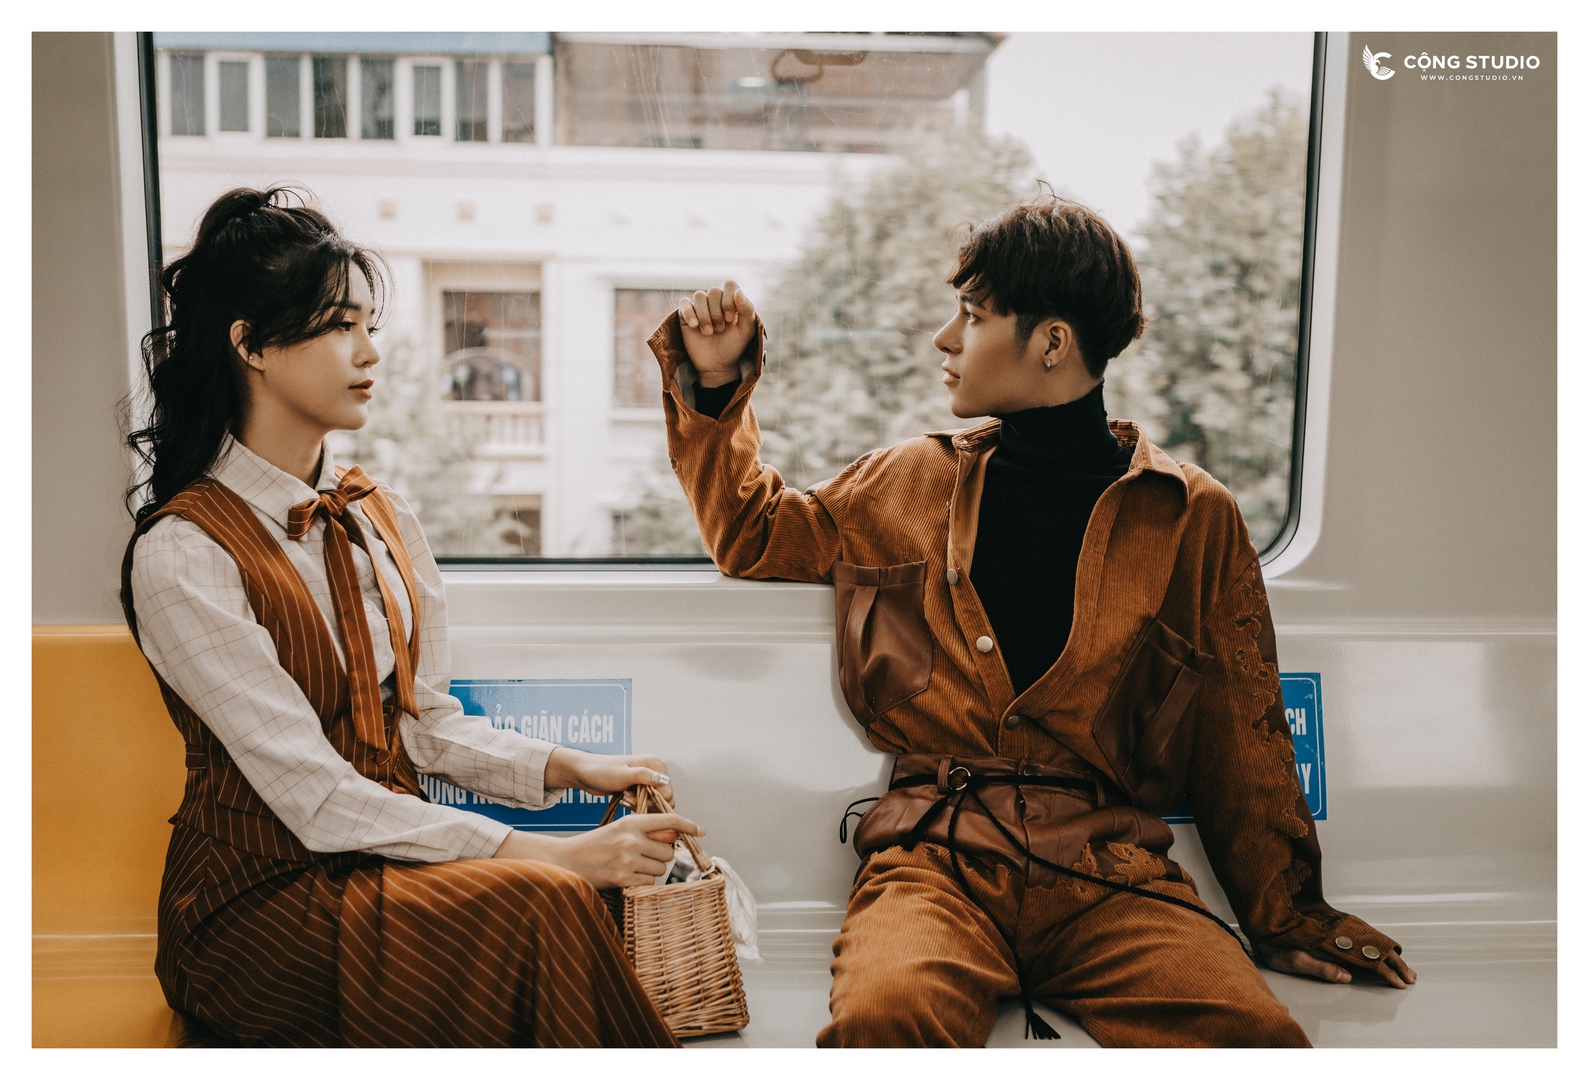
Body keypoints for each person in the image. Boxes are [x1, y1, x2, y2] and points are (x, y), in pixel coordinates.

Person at [647, 197, 1417, 1048]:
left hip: (1112, 877)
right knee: (883, 1020)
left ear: (1051, 342)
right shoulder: (905, 482)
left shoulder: (1189, 515)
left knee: (1253, 1040)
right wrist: (714, 383)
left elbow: (1241, 727)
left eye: (973, 316)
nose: (944, 339)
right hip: (934, 864)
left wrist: (1286, 914)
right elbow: (755, 535)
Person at [122, 187, 696, 1048]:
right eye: (337, 326)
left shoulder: (378, 517)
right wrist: (551, 854)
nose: (370, 352)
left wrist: (571, 766)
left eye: (369, 325)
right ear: (251, 345)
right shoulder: (184, 552)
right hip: (257, 906)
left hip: (380, 864)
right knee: (545, 896)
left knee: (549, 901)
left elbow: (422, 725)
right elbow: (316, 799)